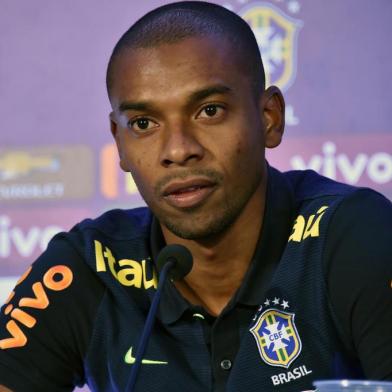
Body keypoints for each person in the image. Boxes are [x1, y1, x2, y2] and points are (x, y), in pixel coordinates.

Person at [0, 2, 391, 391]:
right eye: (143, 123)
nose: (178, 149)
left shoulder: (354, 234)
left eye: (209, 111)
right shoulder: (86, 268)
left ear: (269, 118)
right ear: (119, 143)